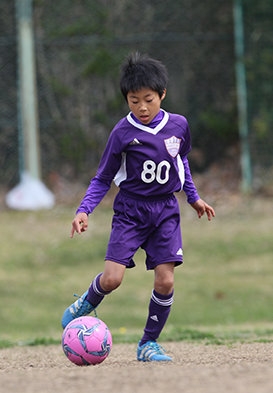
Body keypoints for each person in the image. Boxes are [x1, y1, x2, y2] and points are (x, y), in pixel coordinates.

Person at [62, 52, 215, 362]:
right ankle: (86, 303)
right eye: (134, 101)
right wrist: (84, 210)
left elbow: (180, 162)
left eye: (148, 99)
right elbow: (103, 177)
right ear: (126, 100)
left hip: (165, 211)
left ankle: (148, 344)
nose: (142, 107)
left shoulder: (179, 126)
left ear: (162, 95)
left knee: (166, 280)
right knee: (112, 279)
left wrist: (193, 196)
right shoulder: (121, 133)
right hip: (130, 212)